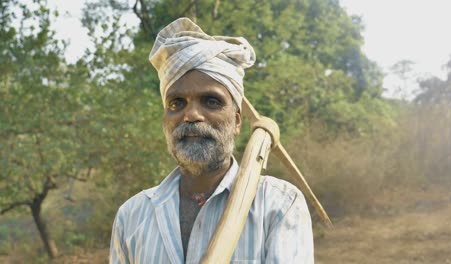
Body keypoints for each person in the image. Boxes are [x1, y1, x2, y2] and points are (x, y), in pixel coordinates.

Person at [110, 17, 314, 264]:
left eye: (211, 101)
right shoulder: (132, 216)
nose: (191, 115)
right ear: (165, 119)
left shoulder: (278, 205)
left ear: (237, 121)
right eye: (177, 103)